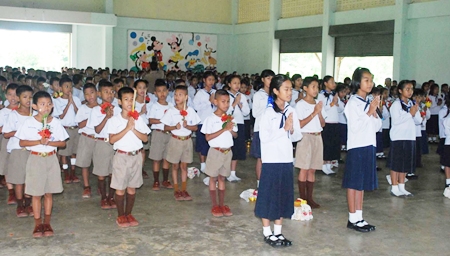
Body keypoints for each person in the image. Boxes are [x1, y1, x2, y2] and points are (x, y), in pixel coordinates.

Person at [255, 74, 302, 248]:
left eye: (291, 89)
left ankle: (278, 231)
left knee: (282, 195)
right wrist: (284, 129)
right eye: (286, 89)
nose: (290, 92)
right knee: (269, 196)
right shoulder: (267, 113)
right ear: (275, 91)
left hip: (286, 159)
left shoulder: (291, 111)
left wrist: (291, 129)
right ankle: (267, 232)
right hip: (272, 160)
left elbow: (297, 135)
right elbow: (265, 138)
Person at [17, 91, 69, 238]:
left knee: (48, 192)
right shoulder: (29, 122)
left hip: (51, 159)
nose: (46, 107)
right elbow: (22, 142)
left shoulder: (55, 122)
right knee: (36, 193)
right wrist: (39, 142)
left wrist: (50, 142)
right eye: (42, 104)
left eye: (48, 104)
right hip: (36, 159)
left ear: (52, 105)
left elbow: (63, 143)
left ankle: (47, 223)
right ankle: (37, 223)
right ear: (34, 106)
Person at [342, 67, 381, 232]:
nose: (370, 83)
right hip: (357, 146)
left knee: (362, 183)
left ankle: (360, 216)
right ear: (358, 82)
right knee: (354, 183)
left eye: (371, 80)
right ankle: (352, 218)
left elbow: (378, 126)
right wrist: (369, 112)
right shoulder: (353, 103)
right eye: (366, 80)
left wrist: (373, 112)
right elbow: (356, 127)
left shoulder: (367, 102)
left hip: (369, 145)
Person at [107, 86, 151, 228]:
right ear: (119, 102)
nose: (129, 102)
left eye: (132, 99)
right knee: (120, 188)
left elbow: (145, 139)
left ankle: (128, 213)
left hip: (136, 156)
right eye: (126, 99)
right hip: (122, 156)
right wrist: (126, 128)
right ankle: (121, 215)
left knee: (132, 188)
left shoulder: (138, 119)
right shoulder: (114, 120)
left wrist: (133, 127)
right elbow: (112, 140)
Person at [201, 89, 237, 217]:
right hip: (216, 152)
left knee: (222, 178)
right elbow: (208, 137)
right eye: (223, 101)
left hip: (228, 152)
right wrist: (224, 129)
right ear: (215, 102)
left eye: (228, 102)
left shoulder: (230, 118)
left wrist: (231, 129)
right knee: (213, 178)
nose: (226, 104)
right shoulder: (210, 119)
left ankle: (222, 204)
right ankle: (214, 205)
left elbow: (235, 134)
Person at [161, 85, 201, 201]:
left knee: (184, 166)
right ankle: (176, 189)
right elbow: (165, 127)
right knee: (175, 166)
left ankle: (184, 189)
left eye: (180, 95)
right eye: (175, 94)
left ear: (186, 97)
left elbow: (196, 128)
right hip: (175, 140)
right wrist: (175, 126)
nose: (177, 97)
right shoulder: (171, 111)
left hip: (187, 140)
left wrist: (187, 126)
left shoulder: (190, 111)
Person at [87, 80, 121, 209]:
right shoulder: (96, 110)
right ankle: (103, 197)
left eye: (112, 92)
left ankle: (111, 196)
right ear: (99, 93)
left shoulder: (118, 110)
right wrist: (106, 117)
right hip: (102, 143)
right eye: (106, 92)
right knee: (102, 173)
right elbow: (97, 130)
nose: (110, 95)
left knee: (114, 172)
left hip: (115, 143)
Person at [294, 76, 326, 209]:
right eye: (313, 87)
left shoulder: (318, 102)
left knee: (312, 169)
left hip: (317, 136)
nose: (316, 89)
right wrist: (314, 113)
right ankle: (302, 198)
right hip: (305, 137)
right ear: (305, 88)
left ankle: (310, 198)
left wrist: (318, 113)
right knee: (304, 168)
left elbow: (323, 123)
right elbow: (299, 124)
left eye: (317, 87)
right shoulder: (300, 104)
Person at [3, 85, 34, 217]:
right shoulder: (13, 114)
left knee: (30, 179)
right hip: (18, 150)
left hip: (32, 150)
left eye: (31, 97)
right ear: (19, 98)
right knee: (19, 180)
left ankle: (29, 204)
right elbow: (6, 134)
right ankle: (20, 205)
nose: (28, 100)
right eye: (24, 97)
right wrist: (20, 131)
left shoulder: (35, 114)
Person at [387, 80, 422, 197]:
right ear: (400, 91)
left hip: (409, 136)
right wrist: (410, 114)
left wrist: (416, 111)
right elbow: (396, 121)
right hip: (398, 137)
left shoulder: (412, 104)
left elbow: (418, 121)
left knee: (405, 163)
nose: (410, 91)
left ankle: (402, 186)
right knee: (396, 163)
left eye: (411, 89)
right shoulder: (396, 105)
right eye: (407, 89)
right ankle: (394, 187)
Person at [52, 76, 82, 184]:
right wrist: (68, 103)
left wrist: (73, 102)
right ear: (60, 88)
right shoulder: (57, 101)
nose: (69, 89)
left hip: (75, 128)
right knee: (64, 153)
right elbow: (61, 116)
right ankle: (66, 173)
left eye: (71, 87)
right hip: (64, 129)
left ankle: (73, 172)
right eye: (66, 86)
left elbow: (79, 113)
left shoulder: (77, 99)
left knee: (74, 152)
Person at [250, 69, 275, 189]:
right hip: (260, 128)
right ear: (263, 79)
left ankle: (269, 179)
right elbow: (255, 113)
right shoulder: (258, 95)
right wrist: (268, 105)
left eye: (272, 78)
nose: (270, 81)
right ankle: (260, 182)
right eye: (268, 78)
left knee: (271, 156)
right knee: (260, 157)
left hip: (273, 129)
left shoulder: (275, 93)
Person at [147, 80, 173, 190]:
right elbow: (151, 120)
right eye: (159, 91)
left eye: (164, 91)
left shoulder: (171, 105)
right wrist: (164, 120)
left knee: (167, 158)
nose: (162, 93)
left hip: (169, 134)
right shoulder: (154, 106)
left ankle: (165, 180)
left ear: (168, 92)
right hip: (158, 134)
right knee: (156, 159)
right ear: (155, 93)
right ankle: (156, 181)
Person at [75, 83, 99, 198]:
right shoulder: (83, 108)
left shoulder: (103, 107)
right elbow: (80, 124)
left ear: (97, 93)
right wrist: (91, 117)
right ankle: (86, 186)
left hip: (98, 138)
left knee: (100, 163)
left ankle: (101, 185)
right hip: (86, 137)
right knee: (85, 164)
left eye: (92, 92)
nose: (90, 96)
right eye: (87, 94)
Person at [225, 75, 250, 182]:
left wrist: (240, 104)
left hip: (239, 123)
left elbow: (246, 112)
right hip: (229, 123)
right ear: (229, 84)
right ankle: (225, 171)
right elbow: (226, 111)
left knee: (237, 148)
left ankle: (233, 173)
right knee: (228, 148)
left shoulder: (242, 96)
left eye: (238, 83)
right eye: (234, 83)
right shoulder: (226, 95)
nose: (237, 85)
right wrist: (234, 103)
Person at [193, 71, 216, 173]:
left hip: (213, 122)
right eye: (209, 79)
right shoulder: (200, 93)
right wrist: (209, 102)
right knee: (202, 143)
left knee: (212, 143)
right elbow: (196, 107)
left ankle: (210, 163)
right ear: (204, 80)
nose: (211, 82)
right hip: (203, 121)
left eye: (213, 80)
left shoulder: (215, 92)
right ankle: (202, 164)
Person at [0, 83, 19, 204]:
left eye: (16, 94)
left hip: (20, 141)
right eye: (10, 95)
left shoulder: (24, 111)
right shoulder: (3, 112)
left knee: (19, 165)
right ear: (6, 96)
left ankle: (21, 190)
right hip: (7, 140)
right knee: (7, 165)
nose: (13, 98)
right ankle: (11, 192)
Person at [318, 76, 340, 175]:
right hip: (327, 123)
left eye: (334, 82)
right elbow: (322, 109)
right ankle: (323, 164)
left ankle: (329, 164)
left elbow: (339, 110)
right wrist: (332, 103)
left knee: (333, 145)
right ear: (325, 83)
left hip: (335, 122)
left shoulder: (334, 95)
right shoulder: (321, 95)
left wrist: (337, 103)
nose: (334, 84)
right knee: (326, 144)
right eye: (331, 82)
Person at [131, 79, 152, 179]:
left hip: (145, 129)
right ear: (135, 89)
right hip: (135, 129)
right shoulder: (132, 103)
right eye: (139, 88)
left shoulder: (149, 102)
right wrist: (141, 113)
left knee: (143, 151)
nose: (142, 90)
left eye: (144, 88)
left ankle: (140, 169)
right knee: (136, 151)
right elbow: (130, 117)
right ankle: (134, 170)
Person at [441, 98, 450, 196]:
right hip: (449, 142)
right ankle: (448, 180)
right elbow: (446, 132)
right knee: (447, 163)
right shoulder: (447, 118)